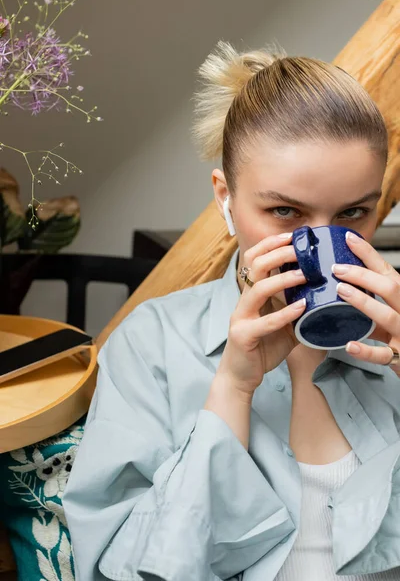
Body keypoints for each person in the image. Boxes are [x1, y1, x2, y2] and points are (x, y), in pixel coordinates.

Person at [62, 40, 400, 581]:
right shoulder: (153, 345)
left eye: (353, 213)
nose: (317, 243)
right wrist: (231, 393)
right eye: (284, 210)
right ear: (226, 199)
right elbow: (111, 571)